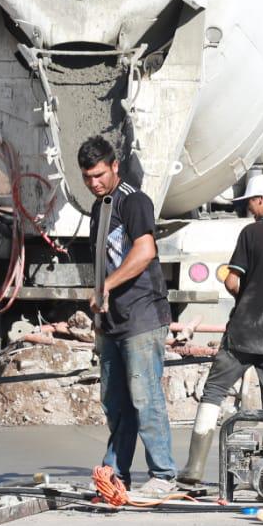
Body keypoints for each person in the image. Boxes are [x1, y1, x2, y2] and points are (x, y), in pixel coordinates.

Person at [179, 173, 263, 489]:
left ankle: (194, 470)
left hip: (243, 335)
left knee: (214, 391)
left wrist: (244, 296)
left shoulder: (251, 234)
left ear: (259, 200)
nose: (248, 209)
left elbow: (231, 280)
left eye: (249, 203)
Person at [79, 135, 178, 498]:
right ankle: (116, 473)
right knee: (116, 400)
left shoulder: (133, 201)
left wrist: (105, 287)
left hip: (141, 315)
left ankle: (164, 475)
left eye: (100, 174)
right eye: (88, 177)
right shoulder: (99, 207)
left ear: (115, 166)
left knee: (144, 396)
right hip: (113, 320)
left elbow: (144, 250)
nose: (95, 182)